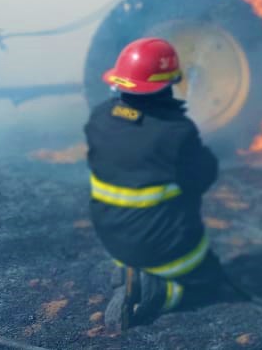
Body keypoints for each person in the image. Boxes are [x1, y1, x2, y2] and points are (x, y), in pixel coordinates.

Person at [83, 37, 227, 331]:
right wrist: (201, 149)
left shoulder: (99, 117)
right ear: (168, 83)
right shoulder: (176, 133)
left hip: (112, 240)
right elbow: (202, 177)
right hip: (161, 250)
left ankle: (130, 272)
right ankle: (157, 290)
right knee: (210, 283)